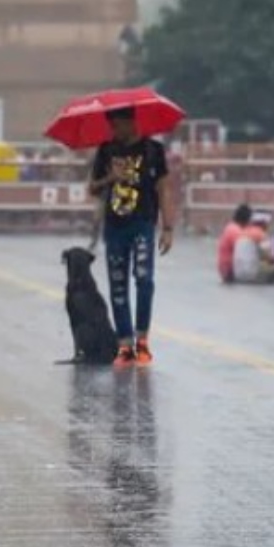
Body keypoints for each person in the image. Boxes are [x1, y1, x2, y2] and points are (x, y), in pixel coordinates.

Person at [88, 107, 175, 367]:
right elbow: (92, 188)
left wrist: (167, 227)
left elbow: (164, 190)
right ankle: (124, 344)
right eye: (111, 126)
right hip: (115, 226)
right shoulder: (105, 151)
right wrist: (110, 178)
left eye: (117, 125)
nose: (114, 131)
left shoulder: (153, 151)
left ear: (130, 123)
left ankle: (142, 339)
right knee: (118, 284)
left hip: (143, 223)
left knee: (144, 279)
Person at [232, 212, 274, 284]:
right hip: (251, 274)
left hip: (238, 273)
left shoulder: (243, 232)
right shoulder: (261, 234)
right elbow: (269, 256)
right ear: (264, 223)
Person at [217, 203, 252, 283]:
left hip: (226, 270)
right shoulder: (235, 231)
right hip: (230, 271)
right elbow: (245, 249)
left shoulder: (230, 227)